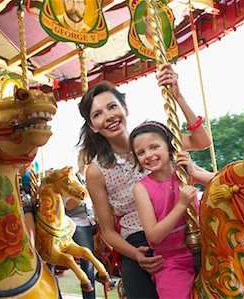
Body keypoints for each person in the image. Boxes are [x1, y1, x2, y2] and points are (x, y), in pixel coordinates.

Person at [77, 63, 211, 299]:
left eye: (112, 107)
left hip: (184, 225)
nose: (108, 116)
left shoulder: (152, 141)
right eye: (97, 114)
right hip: (143, 243)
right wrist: (135, 254)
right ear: (92, 126)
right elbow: (107, 231)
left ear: (125, 109)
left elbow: (202, 141)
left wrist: (178, 96)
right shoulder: (96, 171)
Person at [129, 121, 214, 298]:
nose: (149, 155)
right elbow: (154, 235)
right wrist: (181, 205)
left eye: (154, 147)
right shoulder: (141, 188)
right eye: (141, 152)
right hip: (171, 261)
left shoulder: (183, 172)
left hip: (207, 249)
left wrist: (195, 173)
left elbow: (224, 184)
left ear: (169, 147)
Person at [65, 150, 98, 299]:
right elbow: (68, 206)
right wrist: (85, 192)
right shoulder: (72, 180)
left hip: (94, 220)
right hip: (78, 222)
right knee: (87, 261)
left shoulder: (97, 178)